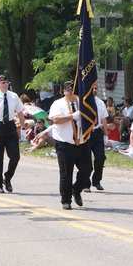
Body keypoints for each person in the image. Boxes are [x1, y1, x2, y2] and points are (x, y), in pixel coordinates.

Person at [49, 81, 93, 210]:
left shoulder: (83, 102)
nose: (71, 93)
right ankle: (66, 200)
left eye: (73, 91)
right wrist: (73, 116)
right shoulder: (58, 104)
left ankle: (76, 189)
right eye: (68, 91)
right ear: (64, 92)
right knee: (66, 173)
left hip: (82, 142)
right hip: (65, 144)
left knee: (87, 169)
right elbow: (55, 120)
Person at [0, 75, 25, 193]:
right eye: (3, 82)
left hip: (10, 126)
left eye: (7, 82)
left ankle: (8, 177)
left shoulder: (14, 96)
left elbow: (20, 112)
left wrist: (23, 127)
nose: (5, 84)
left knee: (15, 156)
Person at [84, 85, 108, 192]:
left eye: (96, 88)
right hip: (87, 133)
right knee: (86, 160)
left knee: (100, 157)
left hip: (97, 132)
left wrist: (106, 135)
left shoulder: (100, 102)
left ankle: (96, 180)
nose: (94, 90)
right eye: (92, 88)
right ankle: (85, 183)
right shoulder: (83, 101)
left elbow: (103, 120)